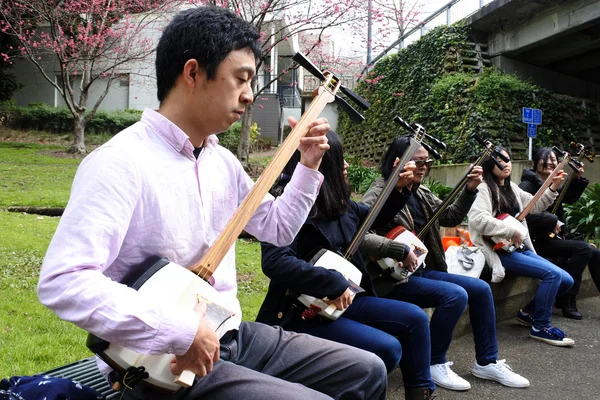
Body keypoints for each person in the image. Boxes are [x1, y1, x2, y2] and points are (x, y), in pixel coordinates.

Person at [37, 7, 388, 400]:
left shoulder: (222, 162)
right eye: (241, 78)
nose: (250, 93)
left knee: (366, 370)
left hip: (231, 332)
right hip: (163, 360)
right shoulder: (119, 162)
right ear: (192, 73)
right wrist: (181, 331)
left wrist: (307, 166)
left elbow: (277, 228)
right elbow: (63, 282)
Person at [257, 131, 435, 400]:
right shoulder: (288, 204)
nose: (346, 165)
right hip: (305, 308)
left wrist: (399, 188)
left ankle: (420, 393)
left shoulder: (338, 203)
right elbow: (276, 262)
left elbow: (372, 217)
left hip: (346, 298)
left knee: (416, 318)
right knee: (387, 348)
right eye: (338, 159)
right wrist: (333, 282)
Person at [360, 136, 530, 391]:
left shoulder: (422, 192)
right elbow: (360, 233)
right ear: (398, 162)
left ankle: (487, 361)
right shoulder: (379, 190)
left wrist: (470, 189)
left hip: (422, 270)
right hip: (391, 278)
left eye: (426, 162)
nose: (423, 167)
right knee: (454, 295)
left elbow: (450, 216)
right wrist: (397, 247)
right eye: (417, 162)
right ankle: (432, 362)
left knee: (481, 289)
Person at [468, 145, 575, 347]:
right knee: (552, 275)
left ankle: (528, 313)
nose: (505, 164)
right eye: (500, 160)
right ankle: (541, 326)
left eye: (508, 160)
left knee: (566, 280)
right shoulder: (482, 189)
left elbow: (534, 205)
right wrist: (511, 231)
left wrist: (552, 188)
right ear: (490, 164)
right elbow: (477, 219)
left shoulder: (512, 188)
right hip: (498, 251)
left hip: (518, 248)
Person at [519, 147, 600, 319]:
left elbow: (568, 198)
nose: (550, 164)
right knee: (583, 249)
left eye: (554, 162)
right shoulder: (526, 185)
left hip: (552, 238)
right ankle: (568, 299)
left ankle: (567, 298)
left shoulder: (553, 182)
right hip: (535, 242)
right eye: (545, 161)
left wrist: (576, 178)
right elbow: (525, 215)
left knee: (593, 251)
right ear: (534, 164)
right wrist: (551, 220)